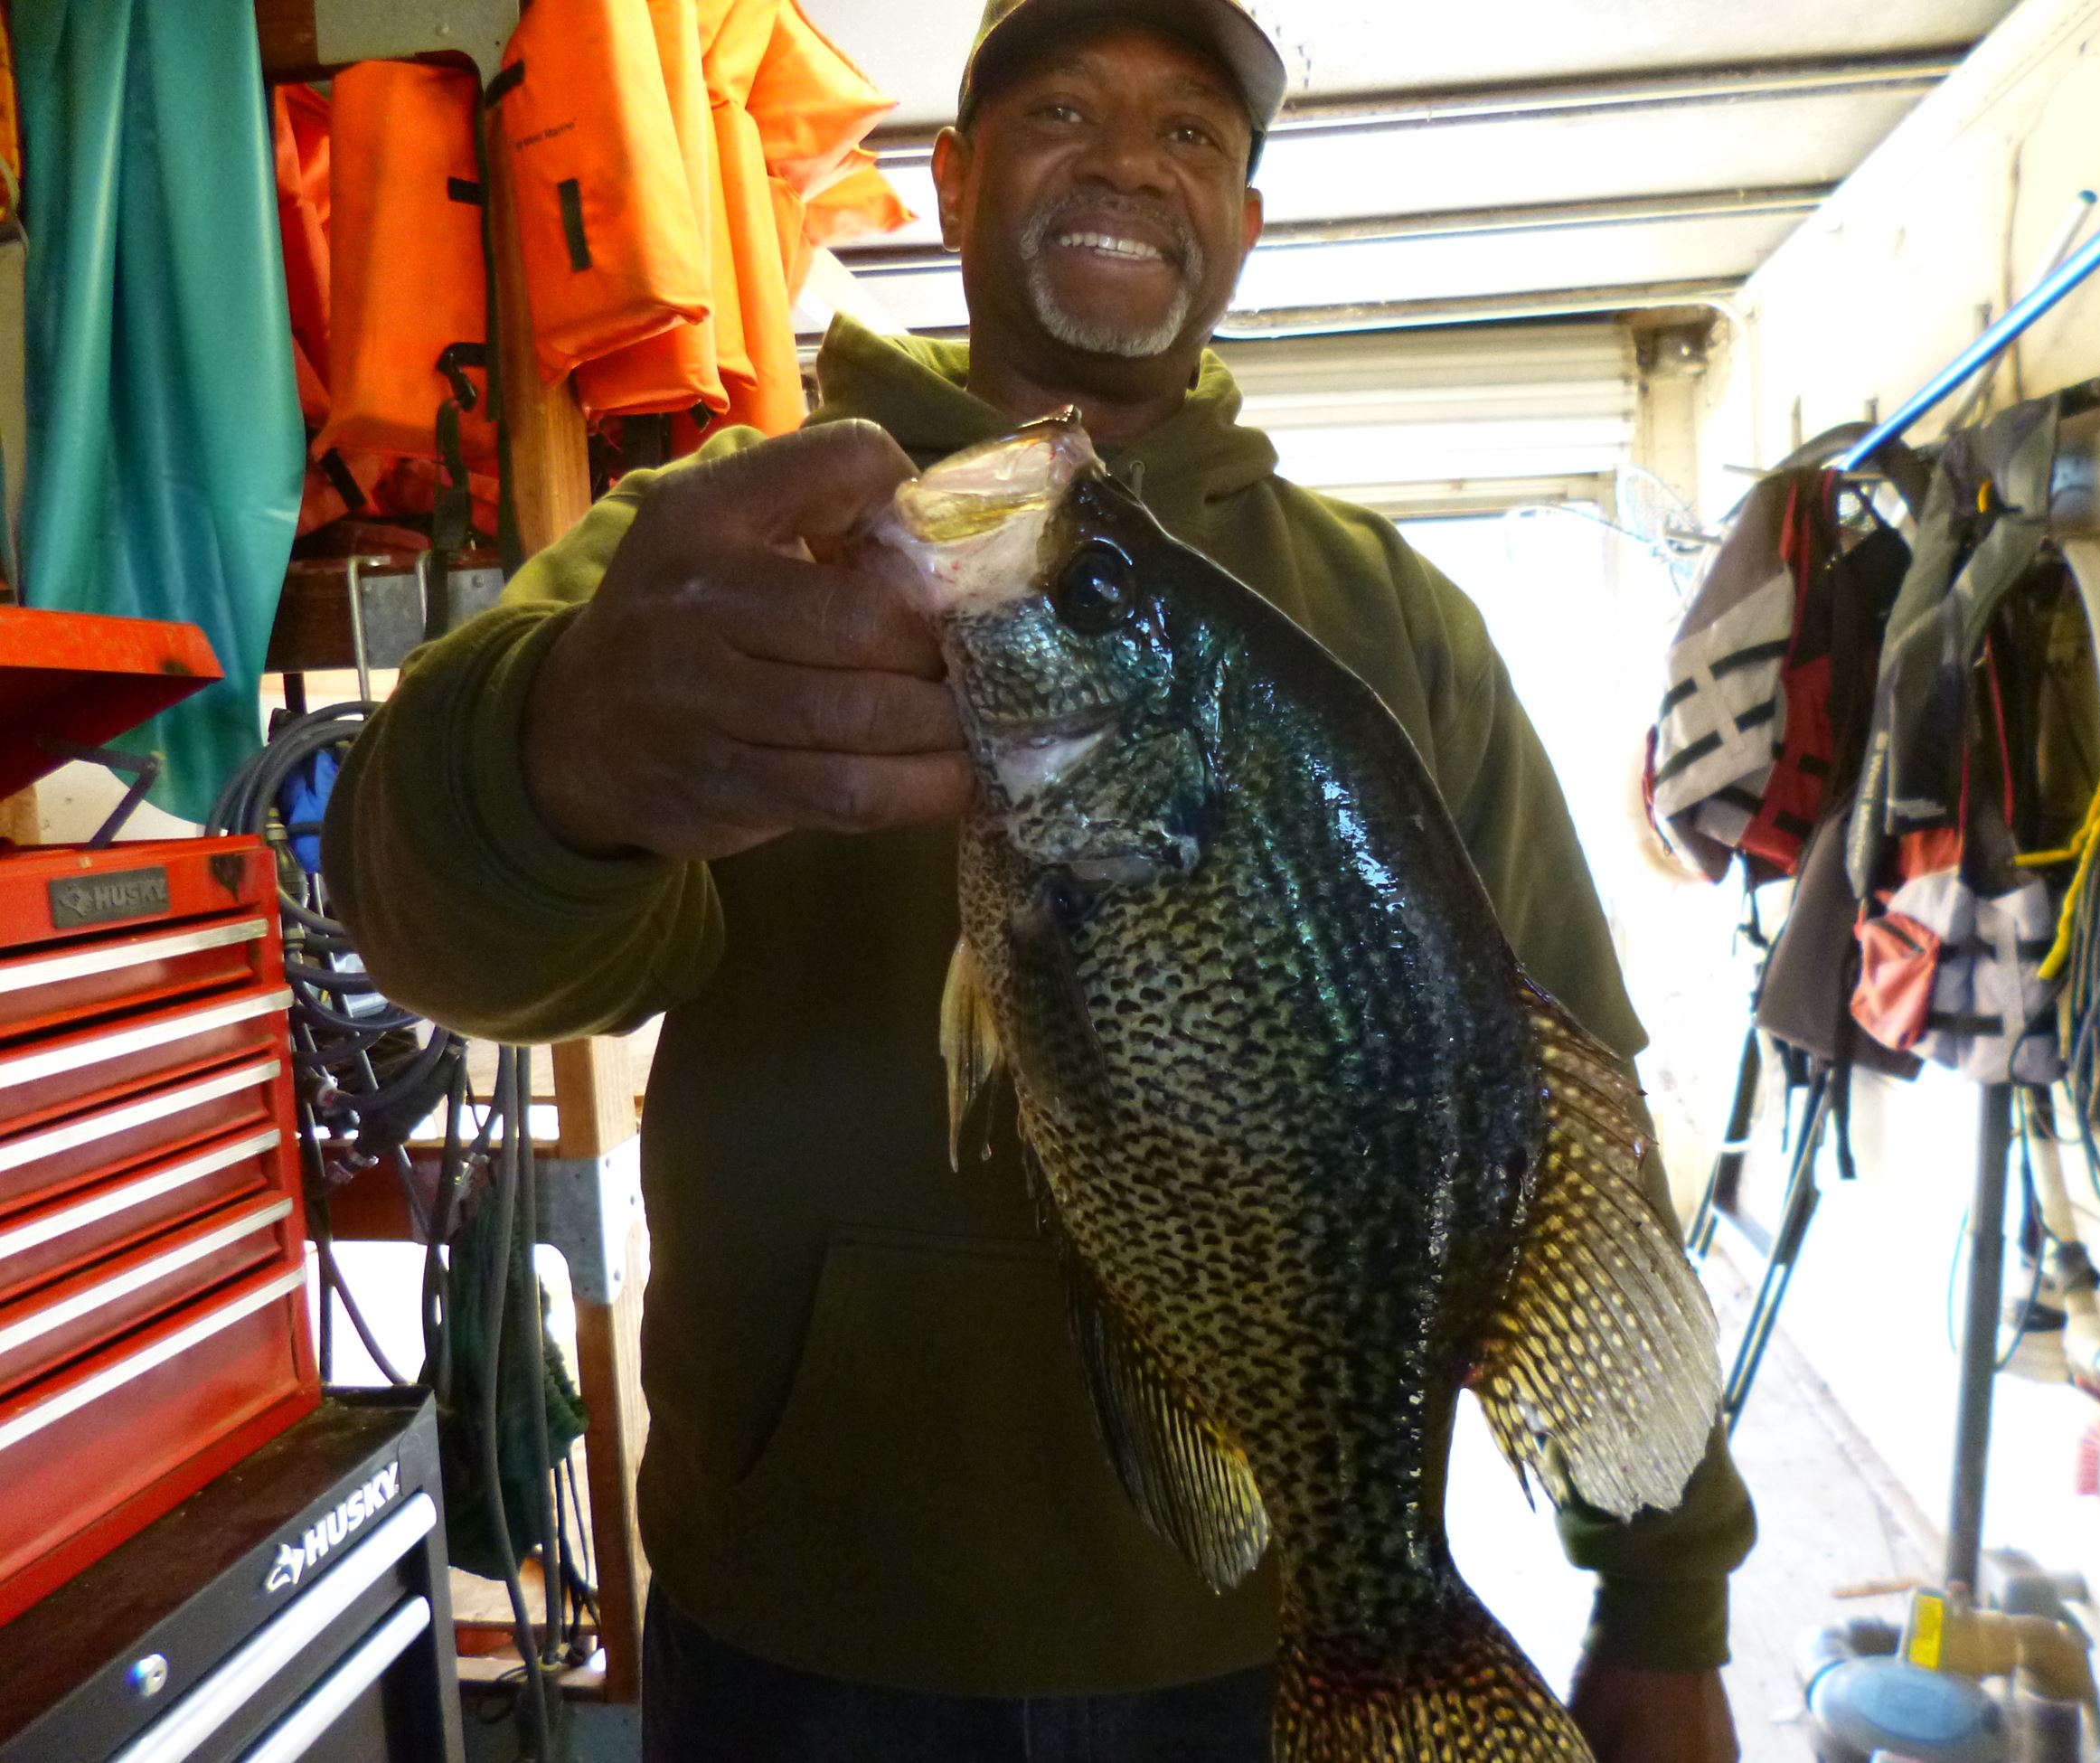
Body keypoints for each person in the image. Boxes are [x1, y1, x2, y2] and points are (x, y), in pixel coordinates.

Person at [324, 1, 1756, 1757]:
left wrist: (1664, 1599)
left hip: (1248, 1638)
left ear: (1243, 222)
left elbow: (1573, 1101)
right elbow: (410, 906)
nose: (1130, 162)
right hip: (801, 1621)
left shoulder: (1396, 621)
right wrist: (552, 746)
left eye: (1191, 133)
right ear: (949, 180)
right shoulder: (728, 541)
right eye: (1065, 109)